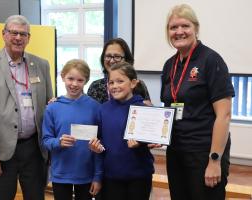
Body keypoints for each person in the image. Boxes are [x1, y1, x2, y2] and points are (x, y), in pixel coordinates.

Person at [0, 15, 53, 200]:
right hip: (0, 150)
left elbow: (49, 105)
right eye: (14, 32)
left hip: (33, 148)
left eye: (23, 34)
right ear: (4, 34)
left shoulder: (41, 65)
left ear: (29, 38)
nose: (18, 38)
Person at [161, 4, 235, 200]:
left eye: (184, 26)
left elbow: (224, 115)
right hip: (175, 152)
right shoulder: (169, 65)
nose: (179, 32)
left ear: (196, 28)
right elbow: (169, 108)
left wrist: (214, 160)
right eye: (173, 27)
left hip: (203, 153)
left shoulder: (211, 60)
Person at [90, 62, 155, 200]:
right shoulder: (102, 110)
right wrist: (96, 147)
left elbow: (151, 139)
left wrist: (141, 143)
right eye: (111, 82)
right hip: (111, 176)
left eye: (120, 81)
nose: (115, 86)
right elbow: (99, 142)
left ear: (133, 83)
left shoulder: (144, 109)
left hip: (139, 176)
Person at [42, 59, 103, 200]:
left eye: (80, 80)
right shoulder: (52, 107)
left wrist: (98, 176)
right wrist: (58, 142)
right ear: (62, 76)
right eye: (70, 78)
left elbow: (100, 144)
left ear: (86, 81)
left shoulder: (95, 108)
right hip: (61, 174)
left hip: (86, 174)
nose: (74, 84)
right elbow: (46, 140)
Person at [87, 38, 152, 105]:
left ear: (126, 59)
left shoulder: (139, 85)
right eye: (108, 56)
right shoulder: (96, 87)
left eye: (117, 56)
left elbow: (146, 112)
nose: (111, 61)